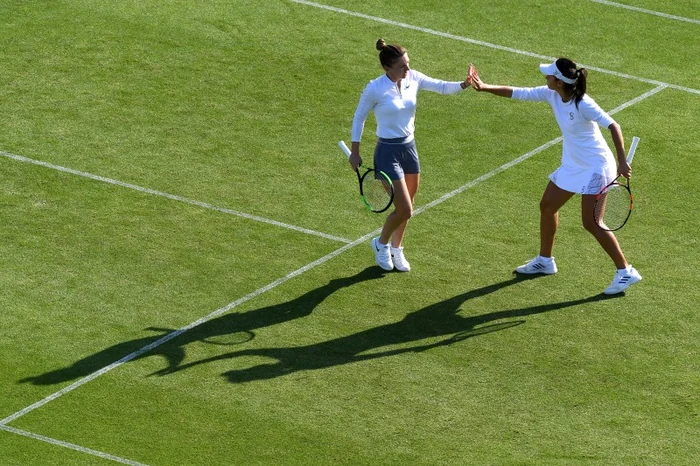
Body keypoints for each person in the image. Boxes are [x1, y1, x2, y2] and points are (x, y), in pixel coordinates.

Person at [469, 58, 641, 295]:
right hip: (573, 163)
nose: (545, 77)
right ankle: (545, 261)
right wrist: (485, 87)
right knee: (548, 206)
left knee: (592, 222)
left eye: (549, 75)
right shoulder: (551, 94)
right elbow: (520, 93)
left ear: (559, 82)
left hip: (596, 167)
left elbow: (614, 125)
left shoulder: (583, 104)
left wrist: (622, 161)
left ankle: (625, 271)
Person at [350, 38, 474, 272]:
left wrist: (464, 84)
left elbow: (442, 87)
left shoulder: (413, 78)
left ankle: (397, 249)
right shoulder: (374, 88)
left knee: (408, 206)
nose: (407, 69)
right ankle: (381, 244)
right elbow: (359, 118)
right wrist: (355, 151)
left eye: (408, 64)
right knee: (405, 209)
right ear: (387, 69)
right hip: (387, 152)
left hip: (409, 149)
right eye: (402, 67)